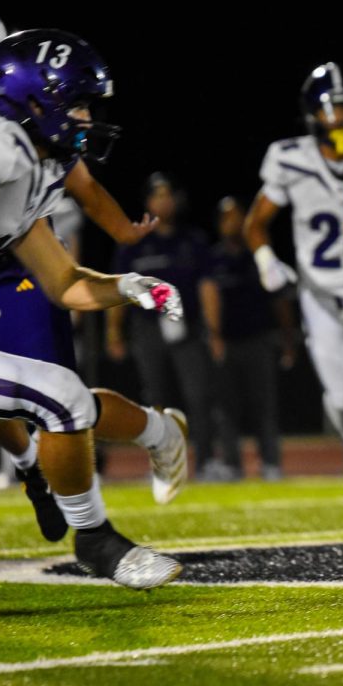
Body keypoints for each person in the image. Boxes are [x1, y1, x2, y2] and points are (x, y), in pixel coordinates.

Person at [0, 28, 185, 587]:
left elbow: (64, 282)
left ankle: (75, 503)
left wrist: (127, 286)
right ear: (37, 100)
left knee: (59, 398)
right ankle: (98, 541)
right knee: (60, 394)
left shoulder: (30, 165)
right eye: (76, 103)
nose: (85, 117)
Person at [245, 63, 343, 514]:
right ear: (312, 114)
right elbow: (256, 224)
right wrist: (264, 260)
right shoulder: (289, 157)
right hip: (318, 293)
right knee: (339, 398)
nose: (339, 116)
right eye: (331, 107)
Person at [109, 174, 234, 479]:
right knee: (156, 398)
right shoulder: (135, 243)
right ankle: (162, 465)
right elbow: (116, 288)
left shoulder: (192, 240)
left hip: (187, 326)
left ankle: (205, 462)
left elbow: (207, 287)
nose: (163, 202)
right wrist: (114, 332)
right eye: (157, 196)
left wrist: (214, 331)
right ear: (148, 202)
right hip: (147, 328)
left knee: (199, 395)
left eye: (168, 195)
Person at [205, 197, 291, 480]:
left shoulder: (260, 257)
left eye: (239, 216)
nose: (234, 223)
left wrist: (287, 337)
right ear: (219, 223)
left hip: (259, 340)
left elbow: (279, 300)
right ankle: (232, 464)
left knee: (264, 406)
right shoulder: (213, 259)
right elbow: (208, 298)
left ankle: (271, 464)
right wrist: (214, 336)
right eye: (228, 217)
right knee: (226, 409)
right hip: (226, 342)